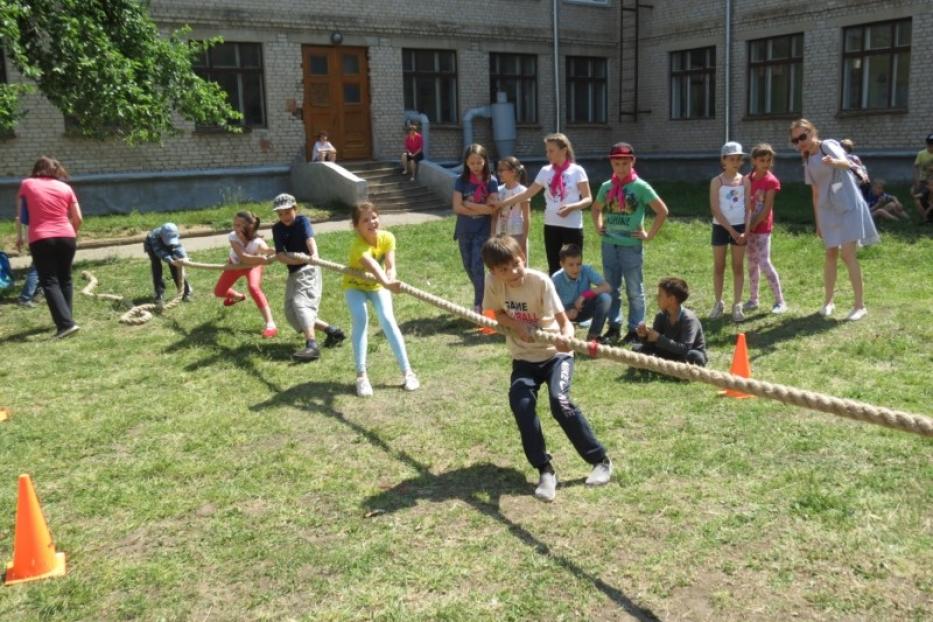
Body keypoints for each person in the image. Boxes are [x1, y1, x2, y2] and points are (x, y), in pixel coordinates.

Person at [481, 235, 613, 503]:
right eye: (504, 270)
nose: (513, 272)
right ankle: (545, 469)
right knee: (521, 403)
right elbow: (496, 313)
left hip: (555, 355)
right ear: (494, 271)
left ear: (523, 258)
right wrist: (517, 325)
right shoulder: (493, 283)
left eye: (516, 264)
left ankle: (600, 460)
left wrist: (566, 340)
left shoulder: (540, 281)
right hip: (523, 358)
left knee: (559, 402)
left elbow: (564, 321)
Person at [790, 118, 879, 321]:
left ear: (813, 132)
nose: (800, 141)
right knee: (830, 254)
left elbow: (847, 163)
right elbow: (815, 191)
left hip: (847, 204)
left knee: (848, 255)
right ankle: (828, 302)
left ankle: (859, 306)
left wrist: (833, 162)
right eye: (796, 140)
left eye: (803, 136)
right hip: (827, 208)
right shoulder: (807, 158)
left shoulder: (827, 145)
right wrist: (818, 221)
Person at [591, 142, 669, 344]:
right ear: (611, 164)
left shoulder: (640, 187)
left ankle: (636, 329)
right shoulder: (606, 187)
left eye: (625, 163)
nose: (621, 168)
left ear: (633, 162)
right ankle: (614, 326)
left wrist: (648, 234)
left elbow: (662, 211)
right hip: (609, 244)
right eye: (617, 163)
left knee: (634, 289)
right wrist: (598, 225)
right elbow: (596, 208)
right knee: (612, 287)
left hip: (631, 245)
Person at [343, 202, 419, 397]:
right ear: (356, 226)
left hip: (378, 285)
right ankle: (361, 376)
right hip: (355, 286)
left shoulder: (387, 238)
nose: (371, 222)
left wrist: (391, 277)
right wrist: (387, 283)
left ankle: (408, 372)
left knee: (388, 319)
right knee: (361, 320)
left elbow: (389, 265)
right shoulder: (358, 247)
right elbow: (374, 269)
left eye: (374, 217)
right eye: (365, 220)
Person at [495, 133, 592, 276]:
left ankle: (575, 296)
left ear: (564, 150)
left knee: (573, 266)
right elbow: (528, 193)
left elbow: (588, 199)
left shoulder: (577, 171)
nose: (547, 154)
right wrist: (503, 203)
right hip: (551, 225)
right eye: (547, 150)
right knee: (554, 264)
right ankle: (555, 296)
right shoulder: (545, 171)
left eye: (551, 150)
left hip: (572, 225)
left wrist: (572, 207)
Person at [271, 193, 346, 361]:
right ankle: (333, 332)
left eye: (287, 212)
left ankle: (311, 346)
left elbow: (309, 240)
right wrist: (295, 259)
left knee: (301, 304)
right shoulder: (277, 228)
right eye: (280, 214)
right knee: (291, 312)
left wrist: (314, 255)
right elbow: (280, 256)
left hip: (308, 268)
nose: (284, 217)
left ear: (295, 208)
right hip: (293, 271)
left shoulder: (302, 221)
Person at [15, 156, 83, 338]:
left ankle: (65, 324)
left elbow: (21, 216)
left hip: (41, 238)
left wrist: (19, 237)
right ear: (56, 170)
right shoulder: (66, 187)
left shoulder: (27, 184)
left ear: (36, 169)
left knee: (49, 280)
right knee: (65, 279)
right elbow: (78, 218)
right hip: (67, 236)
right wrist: (71, 234)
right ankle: (67, 319)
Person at [213, 211, 278, 337]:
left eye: (238, 225)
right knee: (219, 292)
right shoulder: (233, 236)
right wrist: (261, 259)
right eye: (234, 224)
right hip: (235, 265)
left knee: (254, 288)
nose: (235, 228)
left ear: (250, 227)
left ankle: (270, 324)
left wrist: (275, 252)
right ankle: (238, 297)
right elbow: (243, 256)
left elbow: (266, 250)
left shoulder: (258, 241)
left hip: (252, 267)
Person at [452, 143, 498, 313]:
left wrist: (469, 204)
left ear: (485, 161)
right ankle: (485, 294)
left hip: (482, 230)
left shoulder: (491, 181)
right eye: (472, 163)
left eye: (479, 162)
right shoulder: (461, 181)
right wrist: (483, 208)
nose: (476, 166)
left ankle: (479, 304)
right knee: (468, 266)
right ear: (466, 163)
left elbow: (493, 207)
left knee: (477, 265)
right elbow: (457, 207)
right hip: (464, 230)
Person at [743, 143, 787, 314]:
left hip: (762, 229)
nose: (766, 163)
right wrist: (745, 226)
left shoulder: (771, 181)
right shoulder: (747, 179)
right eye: (762, 160)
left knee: (764, 262)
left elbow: (766, 209)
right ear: (754, 161)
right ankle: (753, 300)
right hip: (749, 227)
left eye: (769, 160)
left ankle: (780, 301)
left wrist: (752, 226)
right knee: (752, 263)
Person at [709, 141, 749, 323]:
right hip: (721, 227)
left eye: (738, 159)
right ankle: (718, 302)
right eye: (731, 159)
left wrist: (745, 231)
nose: (735, 162)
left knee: (738, 266)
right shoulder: (716, 182)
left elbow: (749, 207)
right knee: (719, 266)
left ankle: (738, 304)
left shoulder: (745, 180)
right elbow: (715, 209)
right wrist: (731, 230)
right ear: (723, 160)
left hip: (740, 228)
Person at [633, 277, 707, 366]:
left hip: (685, 354)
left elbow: (685, 349)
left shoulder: (689, 319)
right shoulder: (661, 316)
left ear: (671, 299)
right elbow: (653, 344)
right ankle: (668, 368)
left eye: (660, 295)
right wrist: (645, 336)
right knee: (638, 349)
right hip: (670, 353)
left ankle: (663, 368)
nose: (657, 298)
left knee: (694, 356)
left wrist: (659, 338)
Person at [550, 243, 611, 343]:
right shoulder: (555, 279)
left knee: (605, 298)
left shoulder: (586, 270)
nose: (575, 268)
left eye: (578, 264)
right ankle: (563, 330)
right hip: (562, 315)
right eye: (571, 265)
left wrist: (584, 295)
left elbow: (607, 287)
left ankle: (593, 337)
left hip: (582, 309)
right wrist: (565, 314)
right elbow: (547, 306)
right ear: (562, 264)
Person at [144, 222, 192, 303]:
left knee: (176, 267)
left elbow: (178, 248)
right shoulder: (153, 237)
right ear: (162, 236)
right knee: (157, 267)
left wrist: (184, 258)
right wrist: (171, 261)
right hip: (151, 246)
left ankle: (186, 292)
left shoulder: (172, 234)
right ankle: (159, 294)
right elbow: (160, 253)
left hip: (163, 243)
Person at [494, 156, 531, 260]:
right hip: (500, 233)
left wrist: (524, 239)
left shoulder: (523, 191)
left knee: (518, 261)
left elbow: (526, 217)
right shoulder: (498, 190)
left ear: (513, 171)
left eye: (502, 170)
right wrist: (493, 234)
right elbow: (494, 216)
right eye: (498, 170)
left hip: (517, 233)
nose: (499, 173)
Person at [14, 201, 42, 308]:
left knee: (42, 266)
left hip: (33, 237)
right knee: (36, 268)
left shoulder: (28, 195)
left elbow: (18, 218)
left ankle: (38, 293)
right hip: (41, 236)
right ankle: (25, 298)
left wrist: (20, 238)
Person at [911, 133, 933, 198]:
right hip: (922, 179)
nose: (931, 146)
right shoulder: (921, 154)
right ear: (927, 144)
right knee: (913, 191)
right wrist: (916, 180)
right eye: (930, 144)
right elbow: (915, 167)